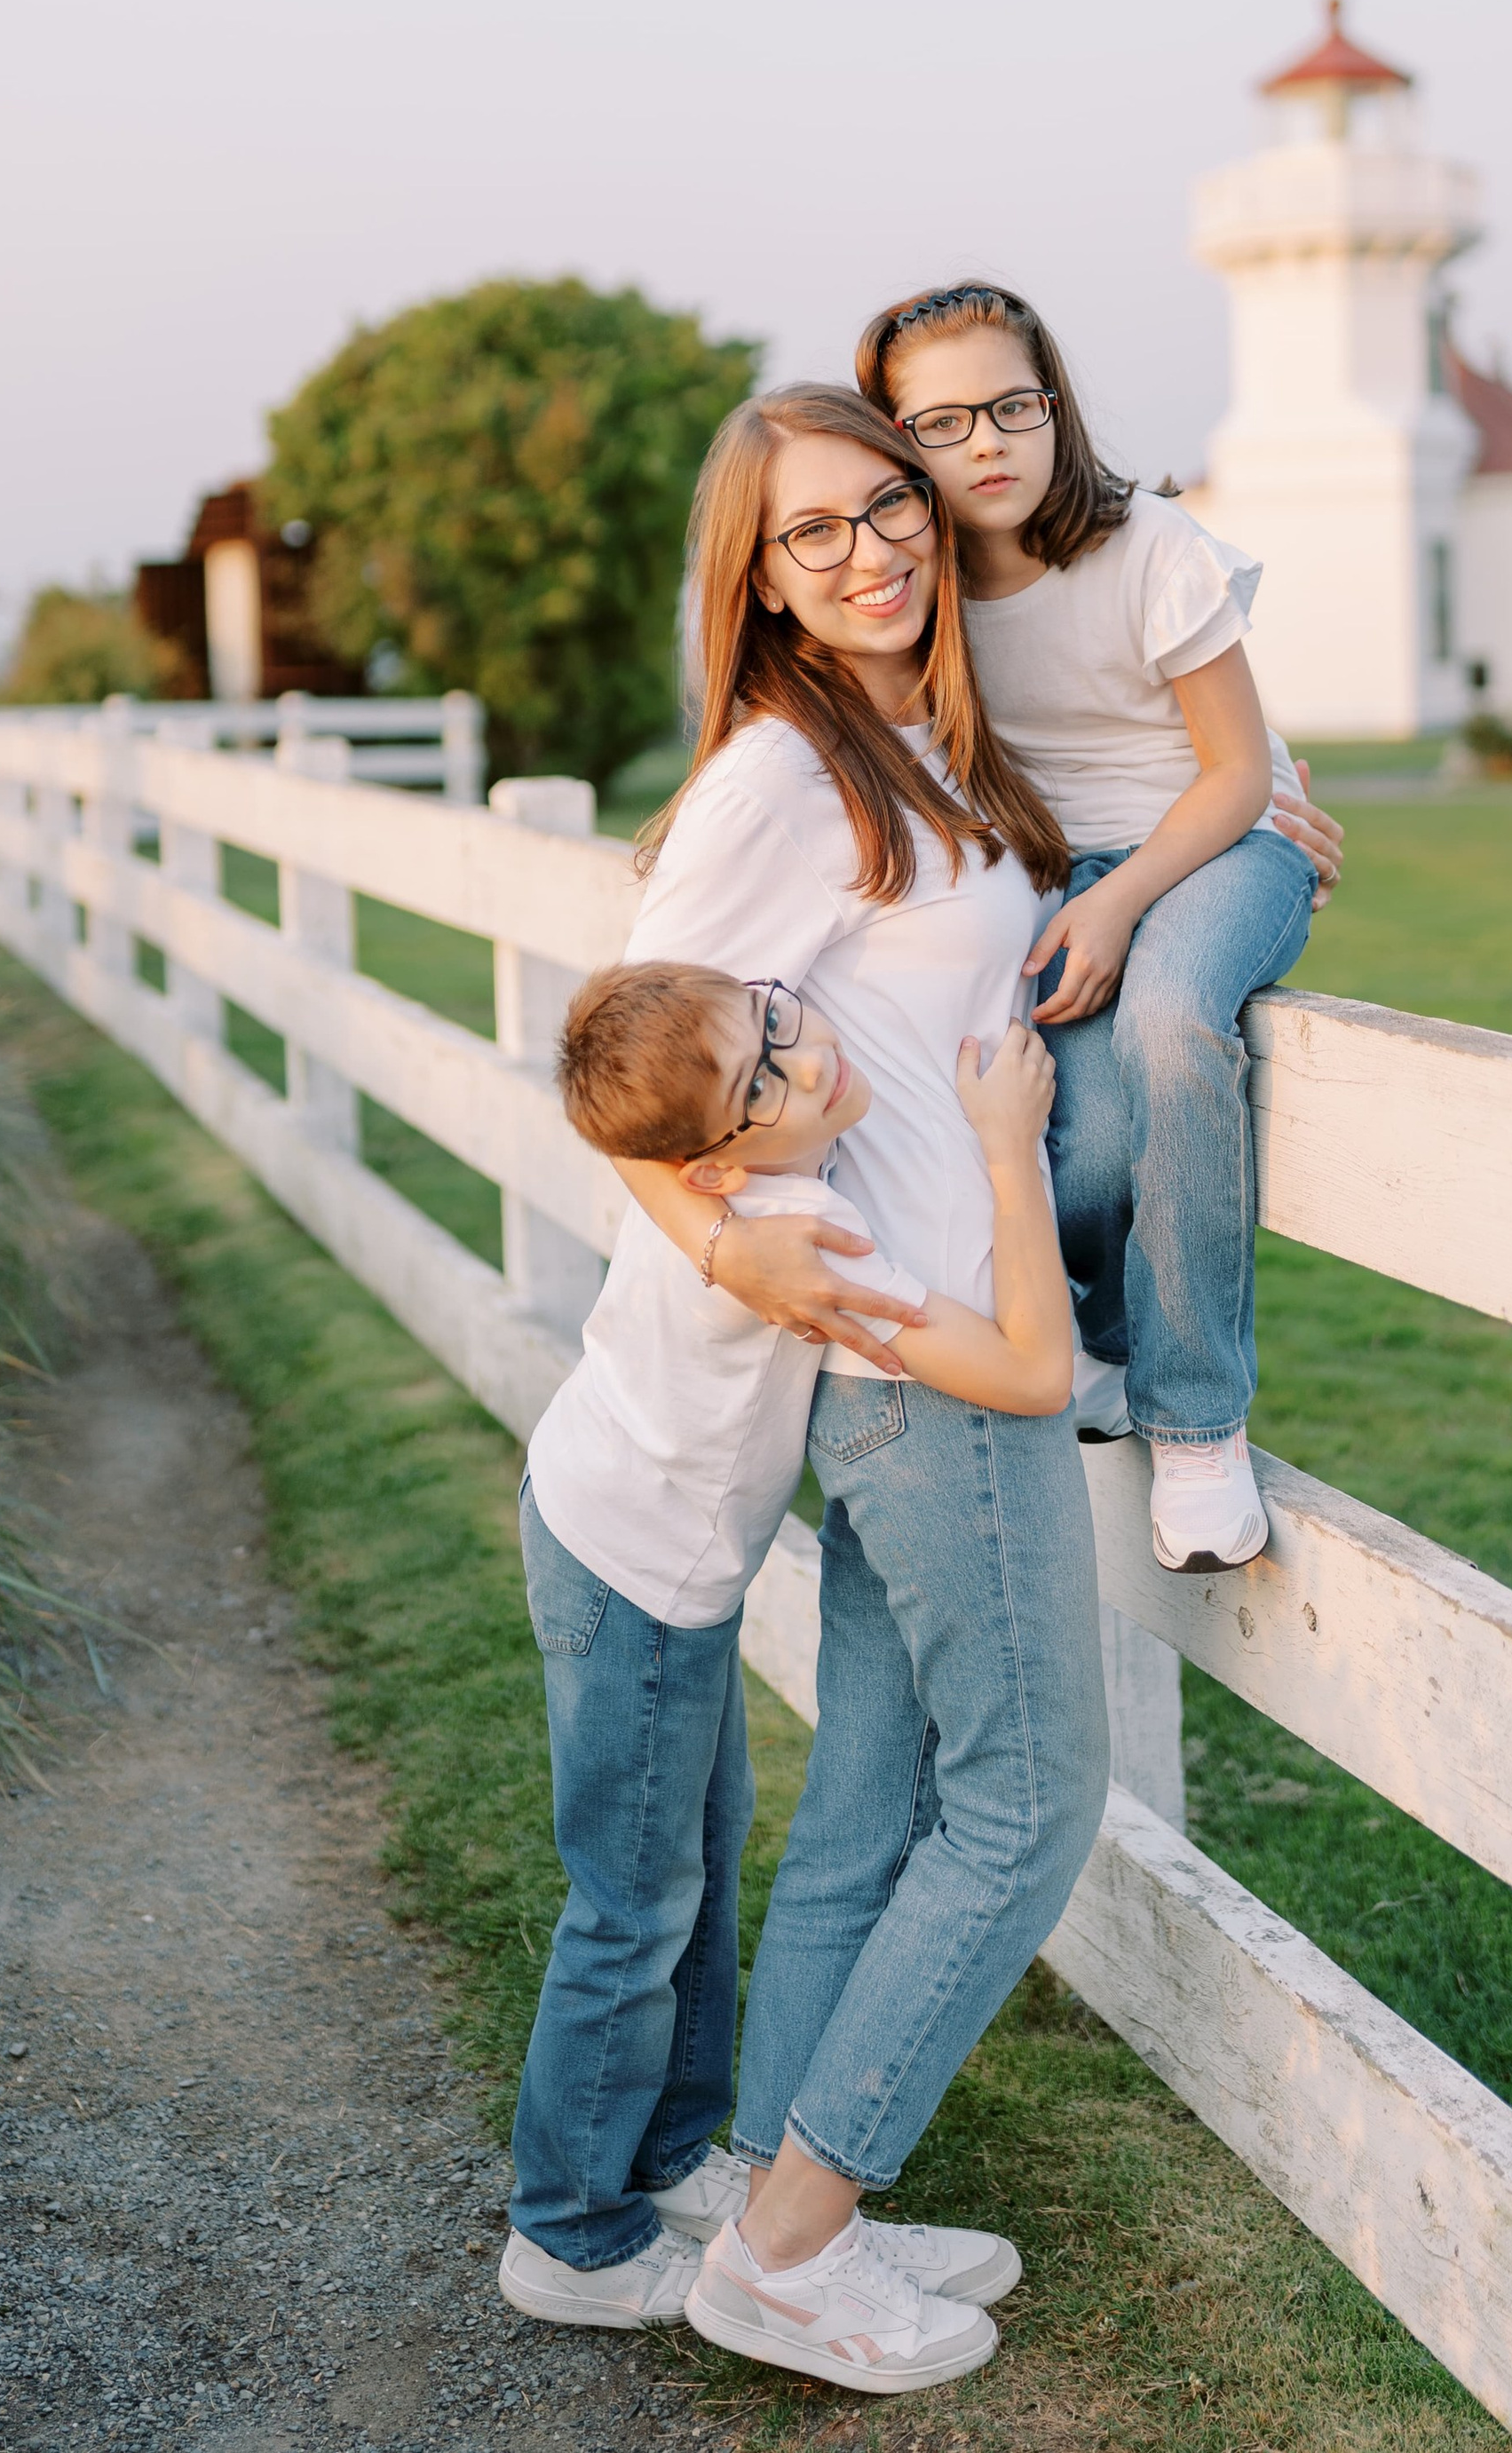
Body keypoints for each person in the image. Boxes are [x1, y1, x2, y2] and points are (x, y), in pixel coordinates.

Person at [605, 383, 1112, 2398]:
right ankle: (794, 2251)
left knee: (880, 1803)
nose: (868, 552)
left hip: (915, 1347)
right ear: (760, 573)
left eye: (882, 505)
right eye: (809, 533)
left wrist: (1256, 816)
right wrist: (726, 1237)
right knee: (1026, 1801)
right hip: (926, 1358)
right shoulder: (769, 783)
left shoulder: (910, 742)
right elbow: (624, 1050)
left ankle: (767, 2194)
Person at [500, 957, 1073, 2373]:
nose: (806, 1059)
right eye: (763, 1081)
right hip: (632, 1571)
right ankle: (568, 2231)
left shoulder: (740, 1190)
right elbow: (1028, 1374)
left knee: (694, 1853)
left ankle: (681, 2156)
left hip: (625, 1540)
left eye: (780, 1018)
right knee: (632, 1902)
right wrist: (1008, 1148)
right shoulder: (801, 1224)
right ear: (716, 1159)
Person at [857, 281, 1344, 1574]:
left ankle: (1198, 1425)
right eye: (945, 422)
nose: (990, 443)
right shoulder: (922, 595)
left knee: (1178, 1027)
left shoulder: (1152, 548)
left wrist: (1123, 902)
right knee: (1082, 1155)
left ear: (1055, 404)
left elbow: (1237, 772)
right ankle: (1115, 1341)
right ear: (900, 443)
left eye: (1014, 405)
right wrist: (1080, 900)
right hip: (1059, 882)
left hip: (1221, 847)